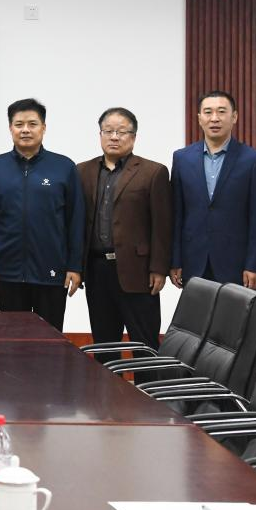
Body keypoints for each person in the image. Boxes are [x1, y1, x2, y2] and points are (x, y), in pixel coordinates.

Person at [76, 107, 172, 362]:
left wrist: (159, 268)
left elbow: (162, 225)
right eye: (108, 131)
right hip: (97, 270)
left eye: (121, 131)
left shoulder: (153, 172)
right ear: (100, 134)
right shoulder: (82, 171)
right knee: (104, 344)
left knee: (144, 344)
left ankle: (148, 389)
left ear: (134, 137)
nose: (114, 136)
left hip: (138, 271)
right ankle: (106, 389)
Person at [0, 98, 84, 330]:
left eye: (32, 124)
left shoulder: (64, 167)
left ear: (43, 128)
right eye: (19, 124)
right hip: (8, 271)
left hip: (52, 271)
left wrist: (75, 266)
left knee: (51, 339)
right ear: (10, 128)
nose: (25, 130)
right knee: (12, 340)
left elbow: (76, 220)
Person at [170, 90, 256, 290]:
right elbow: (177, 214)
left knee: (234, 312)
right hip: (193, 261)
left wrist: (254, 265)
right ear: (199, 118)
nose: (214, 118)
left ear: (234, 117)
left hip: (236, 264)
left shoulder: (253, 160)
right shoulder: (182, 158)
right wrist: (175, 260)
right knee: (196, 312)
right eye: (208, 112)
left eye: (222, 112)